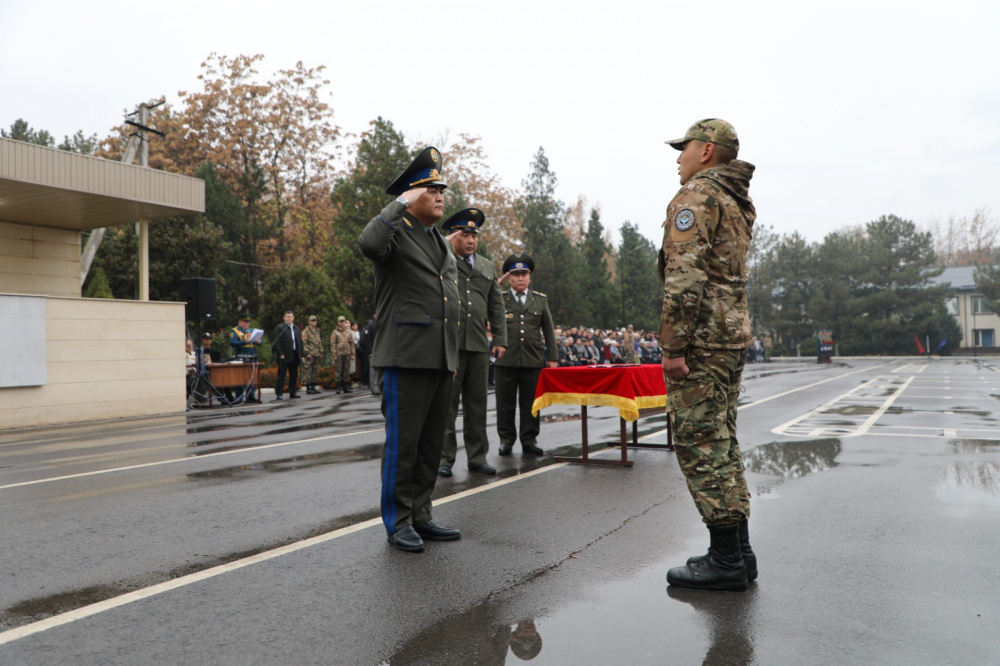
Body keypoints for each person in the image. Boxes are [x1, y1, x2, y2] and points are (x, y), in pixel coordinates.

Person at [658, 118, 757, 591]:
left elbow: (685, 278)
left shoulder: (698, 196)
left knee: (701, 443)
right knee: (723, 440)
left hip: (702, 341)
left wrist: (674, 346)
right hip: (730, 335)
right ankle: (739, 550)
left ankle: (725, 561)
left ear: (706, 152)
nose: (678, 157)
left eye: (685, 148)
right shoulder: (735, 200)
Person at [358, 146, 461, 553]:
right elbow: (368, 243)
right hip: (405, 355)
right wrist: (399, 200)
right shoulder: (395, 231)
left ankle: (421, 513)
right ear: (411, 194)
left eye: (442, 190)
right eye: (431, 189)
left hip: (439, 357)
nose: (440, 196)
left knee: (430, 445)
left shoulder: (440, 241)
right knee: (403, 445)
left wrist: (451, 356)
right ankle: (397, 521)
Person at [437, 208, 508, 478]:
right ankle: (444, 459)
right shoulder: (441, 261)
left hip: (478, 345)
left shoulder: (487, 266)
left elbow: (496, 306)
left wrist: (499, 339)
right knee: (446, 406)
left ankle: (477, 457)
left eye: (474, 236)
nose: (471, 241)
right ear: (453, 237)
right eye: (465, 235)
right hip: (448, 345)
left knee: (478, 405)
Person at [494, 253, 558, 456]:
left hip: (532, 360)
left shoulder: (540, 300)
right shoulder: (499, 299)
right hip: (506, 361)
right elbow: (483, 305)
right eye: (516, 275)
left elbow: (548, 330)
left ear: (529, 277)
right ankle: (506, 439)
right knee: (505, 404)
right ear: (508, 278)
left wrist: (552, 358)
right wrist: (495, 286)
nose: (520, 279)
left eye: (524, 274)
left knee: (531, 403)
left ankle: (529, 439)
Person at [271, 310, 303, 402]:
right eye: (287, 317)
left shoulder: (296, 328)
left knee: (294, 375)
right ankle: (279, 394)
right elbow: (277, 342)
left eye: (291, 316)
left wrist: (302, 354)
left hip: (295, 354)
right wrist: (280, 353)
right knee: (281, 375)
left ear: (293, 318)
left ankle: (293, 392)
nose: (289, 318)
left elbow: (300, 342)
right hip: (284, 355)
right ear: (284, 318)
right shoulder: (280, 327)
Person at [229, 313, 259, 401]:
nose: (247, 324)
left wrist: (258, 341)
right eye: (245, 322)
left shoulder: (251, 330)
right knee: (240, 377)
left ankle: (251, 395)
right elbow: (233, 343)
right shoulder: (234, 331)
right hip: (241, 357)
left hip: (252, 356)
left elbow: (260, 342)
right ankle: (239, 396)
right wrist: (244, 341)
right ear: (240, 322)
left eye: (248, 322)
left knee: (251, 376)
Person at [330, 316, 355, 394]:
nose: (342, 323)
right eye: (340, 321)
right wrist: (334, 355)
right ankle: (338, 387)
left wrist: (352, 353)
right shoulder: (335, 332)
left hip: (347, 353)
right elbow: (332, 344)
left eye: (343, 321)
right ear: (338, 322)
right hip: (339, 354)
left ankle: (345, 386)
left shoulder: (348, 332)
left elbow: (351, 343)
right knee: (339, 371)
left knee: (346, 371)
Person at [302, 315, 324, 394]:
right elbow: (304, 343)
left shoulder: (317, 331)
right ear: (309, 322)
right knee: (308, 371)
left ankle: (313, 387)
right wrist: (307, 353)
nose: (314, 322)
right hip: (310, 354)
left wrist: (321, 351)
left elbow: (319, 342)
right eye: (312, 321)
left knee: (315, 371)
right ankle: (308, 388)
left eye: (315, 320)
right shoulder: (306, 331)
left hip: (316, 353)